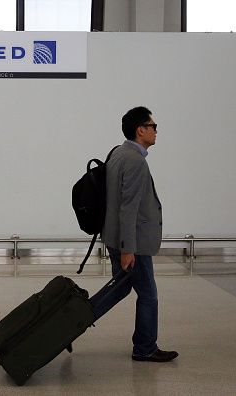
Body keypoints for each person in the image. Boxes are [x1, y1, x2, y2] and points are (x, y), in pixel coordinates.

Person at [89, 106, 178, 362]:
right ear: (141, 130)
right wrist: (129, 249)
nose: (156, 130)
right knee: (148, 295)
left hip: (116, 237)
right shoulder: (135, 161)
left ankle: (72, 325)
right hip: (132, 243)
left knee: (119, 289)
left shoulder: (118, 153)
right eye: (153, 126)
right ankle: (145, 348)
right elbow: (128, 208)